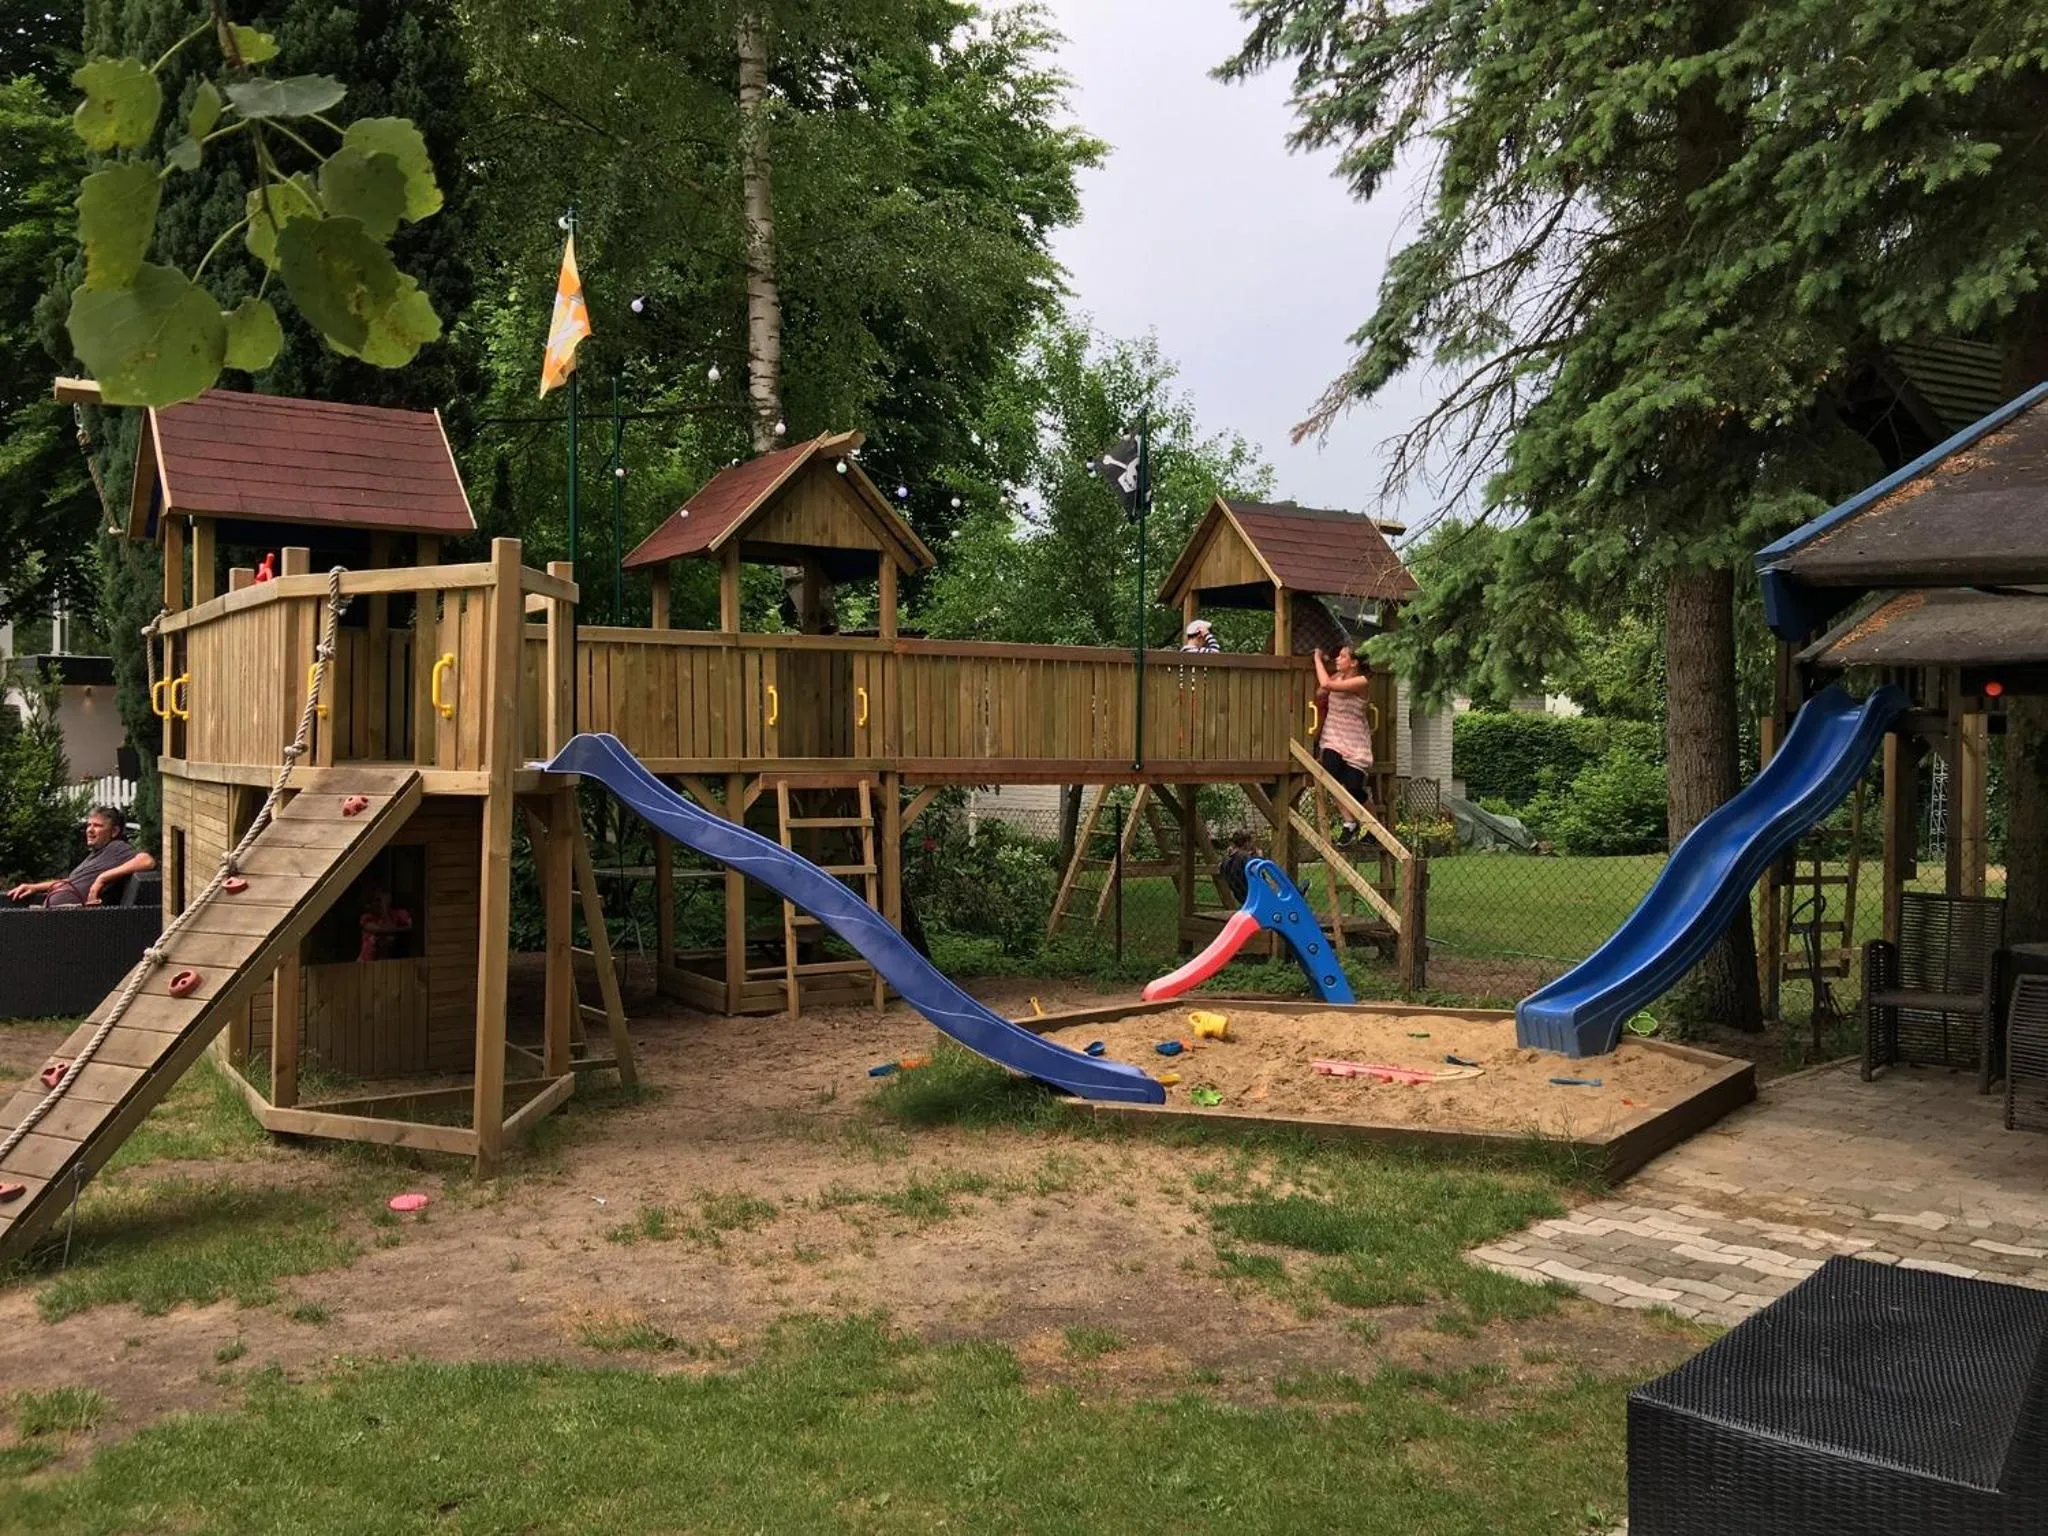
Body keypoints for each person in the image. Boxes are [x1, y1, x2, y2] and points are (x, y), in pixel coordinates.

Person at [5, 805, 155, 908]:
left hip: (72, 921)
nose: (89, 830)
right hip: (51, 916)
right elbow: (69, 883)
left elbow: (147, 861)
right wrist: (33, 887)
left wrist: (102, 878)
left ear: (114, 831)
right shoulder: (95, 855)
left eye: (97, 826)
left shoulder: (116, 848)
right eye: (89, 825)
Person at [1312, 646, 1375, 845]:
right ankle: (1349, 823)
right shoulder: (1338, 677)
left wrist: (1317, 658)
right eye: (1338, 655)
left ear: (1354, 662)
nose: (1338, 659)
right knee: (1330, 775)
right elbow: (1322, 690)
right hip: (1333, 738)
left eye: (1343, 656)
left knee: (1354, 788)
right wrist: (1322, 692)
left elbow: (1326, 684)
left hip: (1355, 743)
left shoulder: (1361, 681)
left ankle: (1374, 827)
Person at [357, 883, 414, 962]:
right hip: (366, 962)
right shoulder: (367, 917)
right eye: (375, 900)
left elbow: (413, 924)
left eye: (379, 900)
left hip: (386, 961)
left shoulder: (399, 914)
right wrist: (384, 911)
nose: (377, 904)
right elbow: (379, 929)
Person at [1216, 829, 1260, 905]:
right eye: (1251, 842)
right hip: (1250, 894)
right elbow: (1257, 875)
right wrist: (1260, 858)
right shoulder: (1245, 857)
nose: (1253, 844)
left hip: (1239, 894)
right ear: (1246, 842)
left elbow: (1221, 867)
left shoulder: (1227, 858)